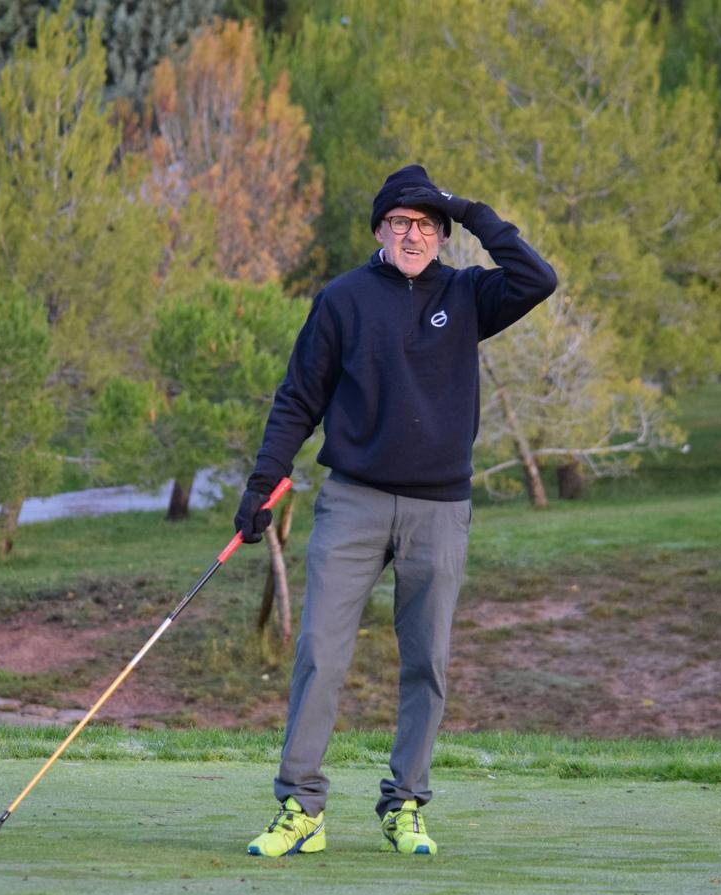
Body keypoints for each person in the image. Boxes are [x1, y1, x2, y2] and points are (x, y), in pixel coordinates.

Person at [237, 164, 557, 857]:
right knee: (321, 650)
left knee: (427, 662)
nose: (411, 234)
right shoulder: (344, 299)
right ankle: (301, 808)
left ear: (442, 234)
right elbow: (299, 397)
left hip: (439, 508)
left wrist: (471, 207)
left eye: (425, 224)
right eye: (399, 222)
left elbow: (539, 278)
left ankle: (405, 803)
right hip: (353, 499)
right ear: (380, 229)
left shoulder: (471, 294)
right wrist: (265, 480)